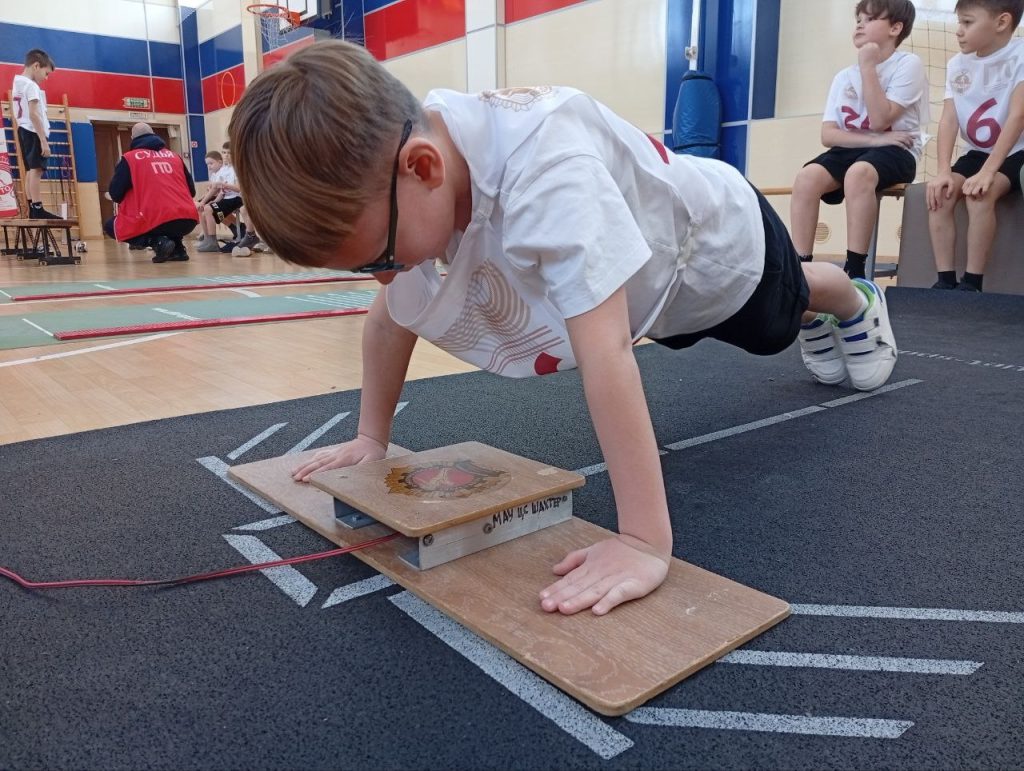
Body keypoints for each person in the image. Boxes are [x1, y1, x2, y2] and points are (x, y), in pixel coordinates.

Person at [229, 40, 899, 616]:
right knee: (698, 320)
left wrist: (642, 540)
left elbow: (607, 352)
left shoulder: (547, 175)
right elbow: (390, 313)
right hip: (649, 296)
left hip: (726, 255)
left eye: (378, 257)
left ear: (424, 168)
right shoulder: (409, 155)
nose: (382, 277)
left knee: (788, 311)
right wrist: (371, 437)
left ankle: (855, 299)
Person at [790, 0, 928, 280]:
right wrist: (876, 141)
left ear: (895, 28)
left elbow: (880, 120)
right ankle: (800, 268)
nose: (860, 24)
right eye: (858, 19)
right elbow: (828, 135)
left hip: (899, 150)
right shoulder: (843, 77)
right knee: (806, 178)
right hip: (864, 147)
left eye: (870, 18)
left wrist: (868, 68)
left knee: (859, 173)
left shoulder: (908, 64)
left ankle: (855, 270)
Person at [926, 0, 1024, 292]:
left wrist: (989, 172)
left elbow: (1018, 116)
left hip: (1015, 151)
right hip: (976, 153)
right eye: (959, 23)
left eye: (967, 23)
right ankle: (945, 281)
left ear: (1002, 22)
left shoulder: (1019, 54)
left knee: (980, 196)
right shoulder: (957, 64)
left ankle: (972, 282)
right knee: (940, 195)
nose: (959, 31)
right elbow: (949, 120)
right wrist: (943, 170)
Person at [104, 123, 198, 263]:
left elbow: (116, 194)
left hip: (155, 219)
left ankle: (156, 242)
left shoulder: (129, 159)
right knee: (168, 216)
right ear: (154, 134)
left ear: (132, 138)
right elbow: (192, 191)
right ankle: (178, 248)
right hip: (188, 220)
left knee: (111, 226)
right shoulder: (175, 156)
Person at [11, 48, 59, 219]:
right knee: (37, 170)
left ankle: (32, 205)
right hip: (32, 130)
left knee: (31, 170)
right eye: (46, 74)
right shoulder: (31, 85)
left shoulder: (17, 82)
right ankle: (37, 207)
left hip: (23, 129)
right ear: (36, 66)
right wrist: (43, 141)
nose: (46, 79)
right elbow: (34, 114)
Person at [196, 146, 244, 252]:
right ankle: (208, 238)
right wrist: (216, 200)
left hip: (237, 198)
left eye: (229, 152)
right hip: (226, 197)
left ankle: (212, 240)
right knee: (205, 208)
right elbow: (221, 191)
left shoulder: (236, 169)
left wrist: (221, 186)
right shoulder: (225, 170)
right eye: (224, 152)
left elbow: (237, 189)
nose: (226, 155)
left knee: (207, 208)